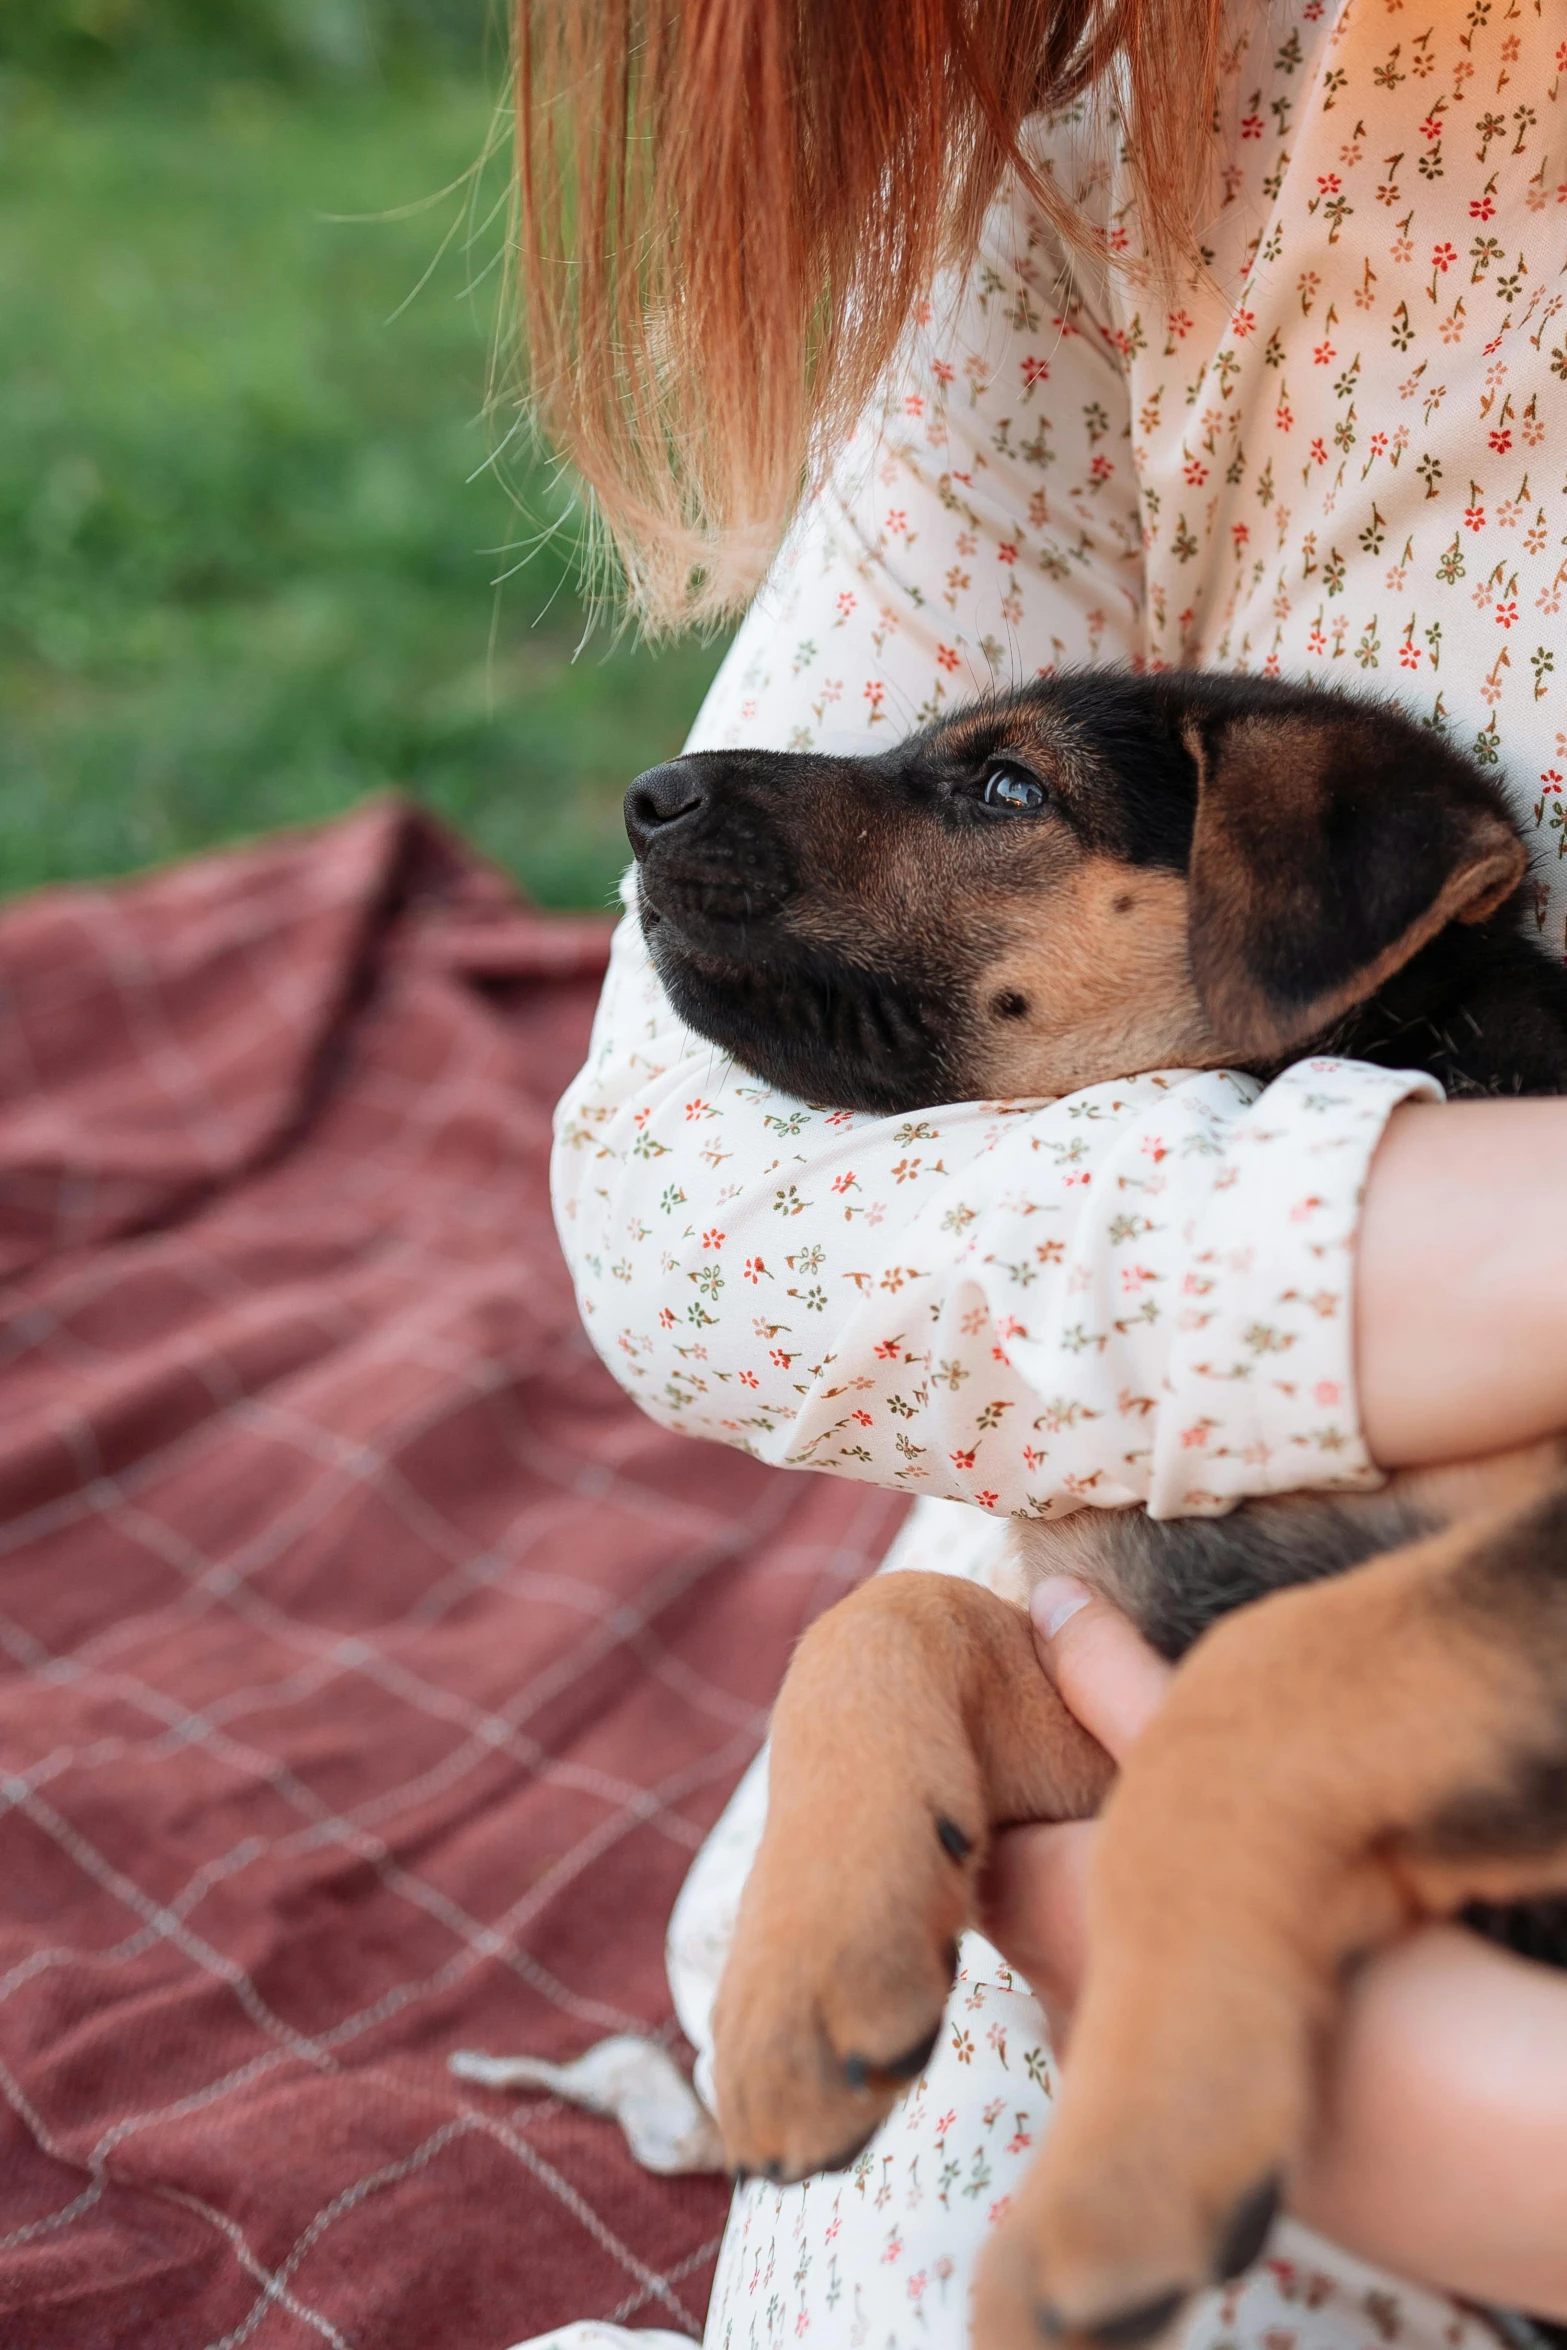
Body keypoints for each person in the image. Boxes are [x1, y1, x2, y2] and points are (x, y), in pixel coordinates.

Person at [528, 1, 1567, 2342]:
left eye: (991, 801)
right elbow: (674, 1205)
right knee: (899, 1653)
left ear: (1326, 918)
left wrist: (1254, 1911)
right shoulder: (1160, 140)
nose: (732, 808)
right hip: (1140, 1847)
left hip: (1332, 1967)